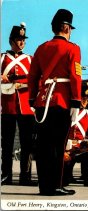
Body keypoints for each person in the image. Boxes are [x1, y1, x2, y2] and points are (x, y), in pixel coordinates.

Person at [28, 9, 81, 196]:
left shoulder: (41, 48)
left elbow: (32, 76)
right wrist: (76, 102)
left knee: (43, 147)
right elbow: (75, 77)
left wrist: (33, 99)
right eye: (70, 28)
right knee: (58, 146)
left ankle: (44, 186)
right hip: (61, 101)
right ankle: (55, 185)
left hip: (43, 102)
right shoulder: (73, 48)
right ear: (66, 28)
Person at [1, 23, 36, 186]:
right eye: (18, 39)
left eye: (23, 39)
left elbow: (37, 79)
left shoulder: (30, 59)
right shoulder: (2, 58)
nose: (21, 42)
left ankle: (25, 176)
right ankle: (6, 174)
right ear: (11, 40)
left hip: (26, 107)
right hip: (7, 106)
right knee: (7, 143)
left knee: (27, 144)